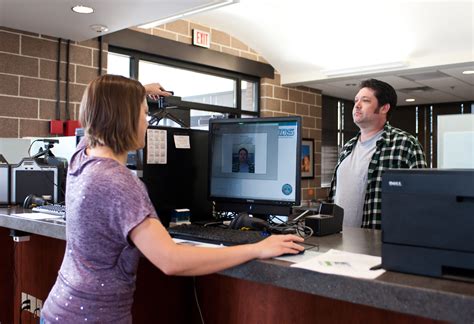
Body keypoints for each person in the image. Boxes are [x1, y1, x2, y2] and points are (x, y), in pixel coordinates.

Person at [41, 75, 304, 323]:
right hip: (95, 317)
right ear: (125, 117)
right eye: (144, 113)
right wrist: (257, 248)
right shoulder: (119, 182)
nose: (148, 122)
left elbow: (100, 113)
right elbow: (171, 260)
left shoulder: (81, 159)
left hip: (59, 308)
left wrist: (138, 92)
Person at [328, 79, 426, 229]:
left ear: (384, 108)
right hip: (340, 241)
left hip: (378, 242)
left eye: (365, 100)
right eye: (356, 100)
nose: (357, 105)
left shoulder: (405, 144)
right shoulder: (347, 147)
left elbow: (421, 200)